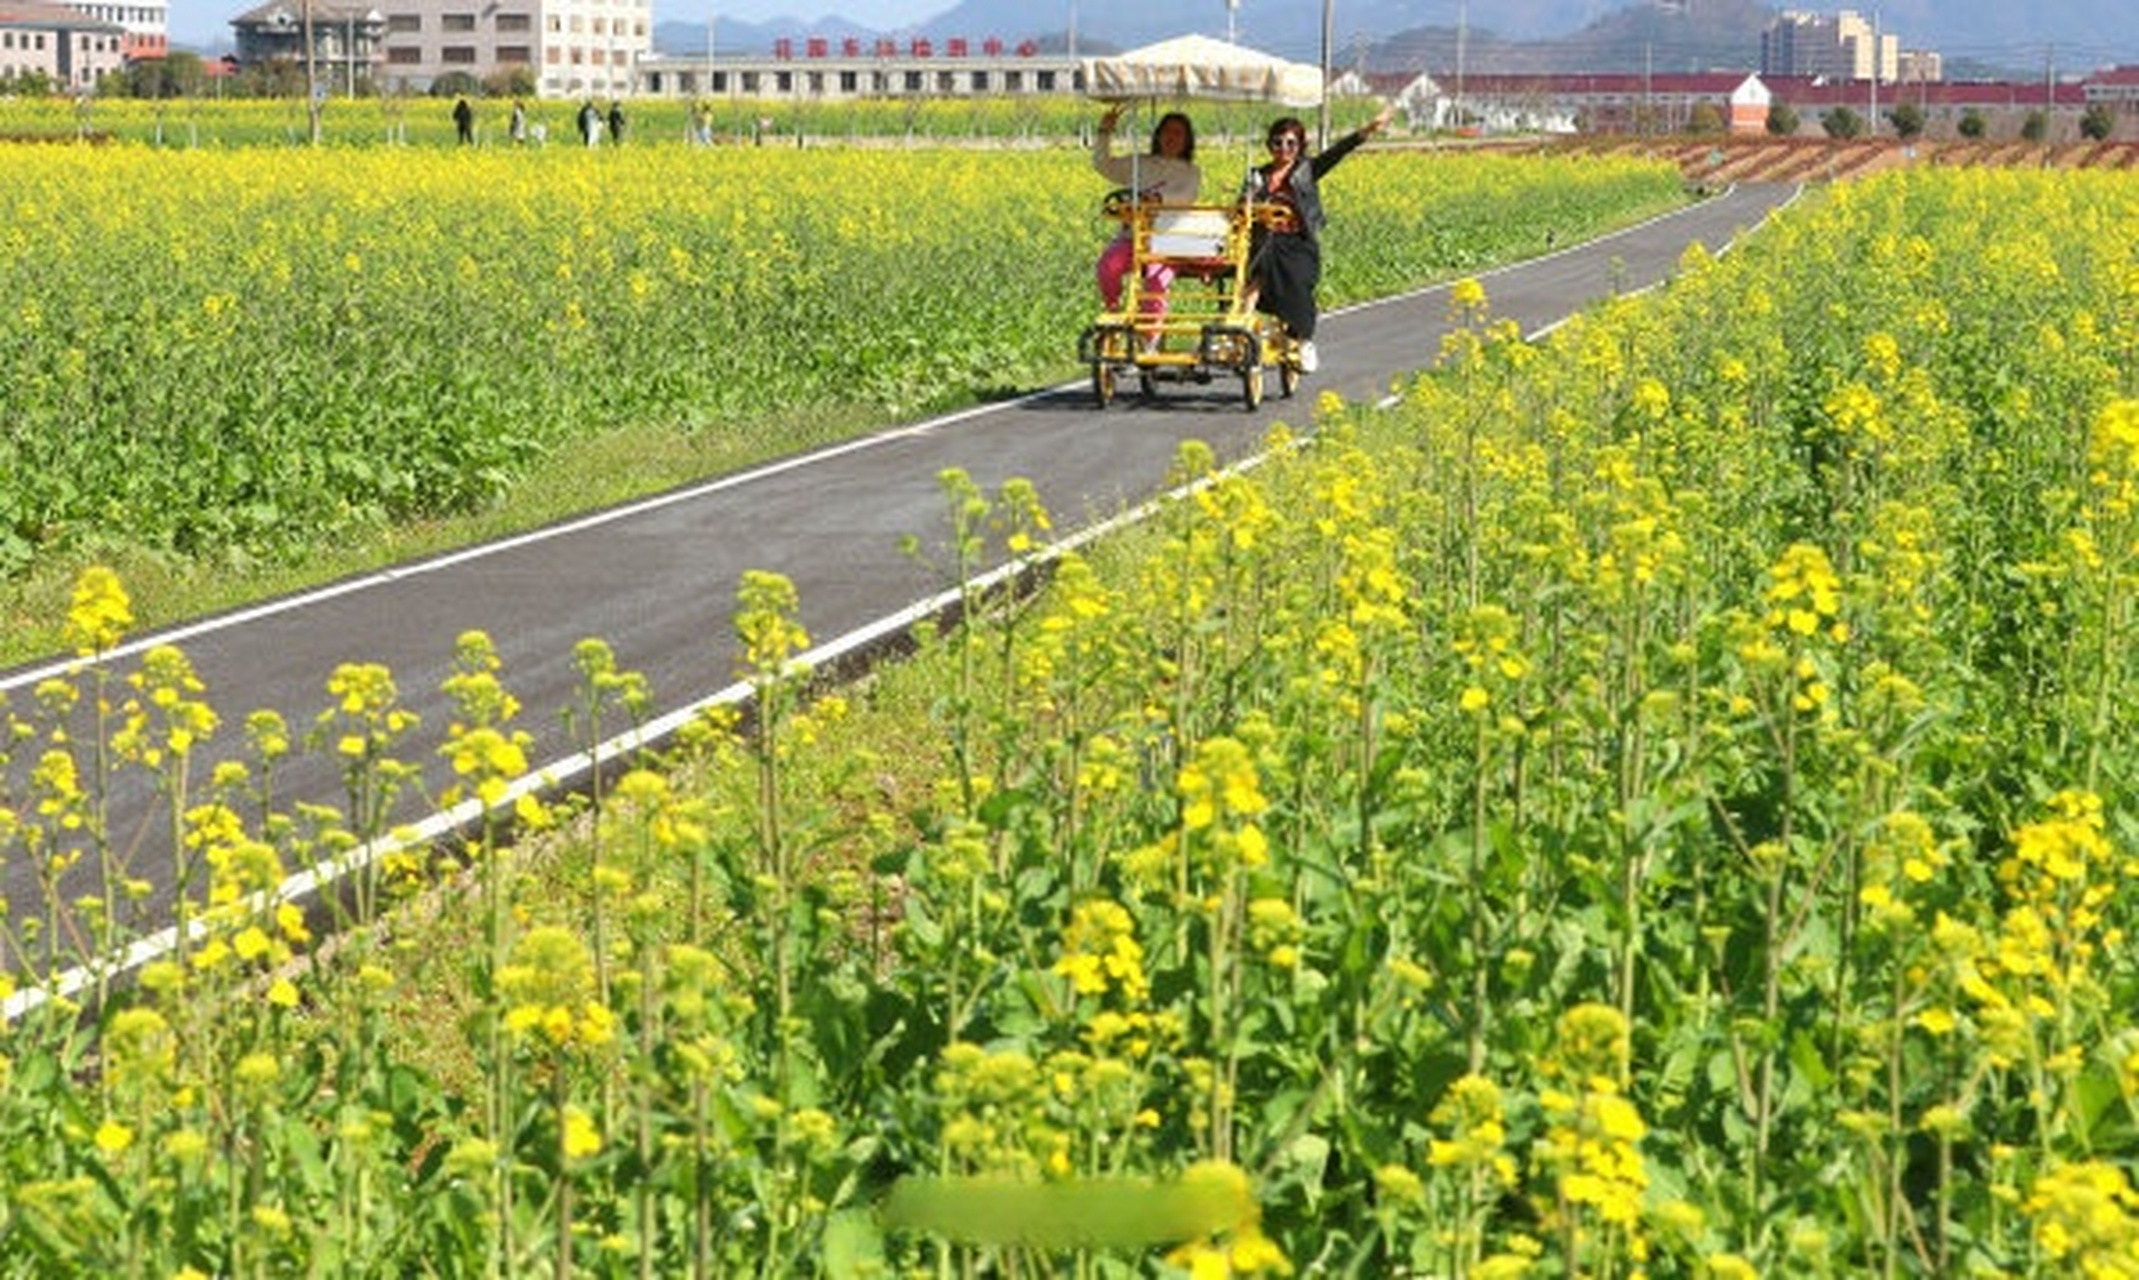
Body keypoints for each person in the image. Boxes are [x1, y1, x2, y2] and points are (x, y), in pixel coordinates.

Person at [1239, 103, 1395, 373]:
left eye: (1291, 143)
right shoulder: (1258, 176)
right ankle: (1238, 326)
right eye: (1278, 142)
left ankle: (1304, 340)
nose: (1284, 149)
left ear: (1300, 146)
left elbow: (1337, 152)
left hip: (1297, 243)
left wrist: (1367, 130)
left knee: (1298, 284)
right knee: (1253, 275)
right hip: (1266, 242)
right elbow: (1241, 206)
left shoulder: (1306, 171)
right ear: (1269, 145)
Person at [1089, 104, 1200, 339]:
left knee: (1155, 281)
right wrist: (1104, 133)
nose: (1171, 138)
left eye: (1178, 133)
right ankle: (1114, 315)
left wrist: (1157, 198)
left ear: (1187, 140)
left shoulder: (1190, 172)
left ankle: (1149, 338)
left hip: (1169, 242)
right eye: (1167, 132)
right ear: (1158, 135)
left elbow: (1186, 198)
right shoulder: (1139, 163)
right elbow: (1102, 165)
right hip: (1133, 238)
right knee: (1107, 267)